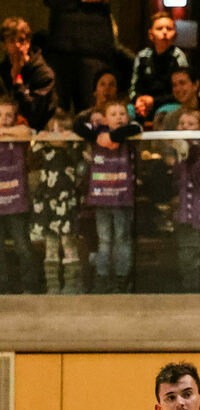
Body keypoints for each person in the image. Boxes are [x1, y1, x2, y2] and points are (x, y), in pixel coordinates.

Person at [76, 99, 141, 293]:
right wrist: (99, 134)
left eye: (122, 114)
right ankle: (102, 277)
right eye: (113, 114)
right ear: (104, 118)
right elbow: (77, 125)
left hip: (122, 196)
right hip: (101, 196)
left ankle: (122, 279)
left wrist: (111, 136)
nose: (119, 118)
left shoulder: (130, 129)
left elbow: (134, 128)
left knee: (122, 238)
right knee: (104, 239)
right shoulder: (96, 131)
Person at [31, 108, 85, 294]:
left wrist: (72, 135)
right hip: (47, 201)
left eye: (63, 129)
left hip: (65, 202)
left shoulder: (73, 150)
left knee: (68, 243)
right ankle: (52, 286)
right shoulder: (46, 148)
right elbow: (34, 143)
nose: (58, 132)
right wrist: (45, 133)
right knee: (50, 245)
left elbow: (82, 147)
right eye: (55, 128)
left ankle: (71, 285)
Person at [0, 98, 39, 294]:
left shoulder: (18, 133)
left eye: (8, 115)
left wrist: (4, 132)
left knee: (23, 245)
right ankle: (3, 288)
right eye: (0, 115)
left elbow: (27, 132)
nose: (4, 119)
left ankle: (30, 286)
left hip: (16, 200)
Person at [167, 109, 200, 293]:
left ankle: (191, 288)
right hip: (178, 207)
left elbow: (192, 164)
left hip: (193, 208)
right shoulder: (177, 151)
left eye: (190, 124)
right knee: (183, 249)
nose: (184, 128)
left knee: (190, 249)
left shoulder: (196, 150)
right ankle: (185, 285)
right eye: (181, 124)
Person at [128, 13, 190, 126]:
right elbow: (134, 87)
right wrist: (139, 101)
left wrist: (154, 101)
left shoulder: (178, 57)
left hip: (170, 103)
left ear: (175, 34)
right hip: (144, 104)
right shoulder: (142, 56)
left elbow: (182, 92)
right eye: (159, 28)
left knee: (163, 115)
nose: (165, 32)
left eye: (169, 29)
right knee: (126, 112)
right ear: (151, 34)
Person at [0, 17, 57, 132]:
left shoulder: (44, 74)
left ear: (28, 42)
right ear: (4, 45)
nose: (17, 45)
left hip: (39, 135)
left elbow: (35, 116)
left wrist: (18, 83)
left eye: (21, 40)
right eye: (11, 40)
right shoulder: (2, 71)